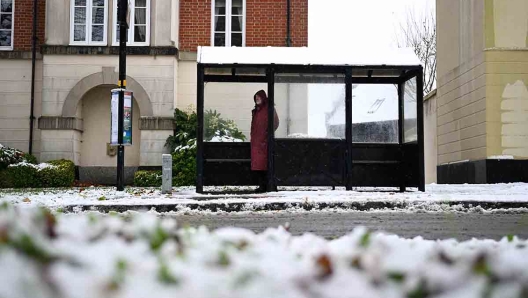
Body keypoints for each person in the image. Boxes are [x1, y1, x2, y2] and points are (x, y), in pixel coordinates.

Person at [251, 90, 279, 193]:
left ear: (263, 98)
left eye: (259, 97)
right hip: (257, 143)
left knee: (265, 165)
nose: (257, 99)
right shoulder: (256, 111)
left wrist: (267, 135)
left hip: (264, 142)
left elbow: (275, 123)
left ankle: (267, 186)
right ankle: (262, 186)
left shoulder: (268, 109)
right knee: (259, 166)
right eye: (256, 97)